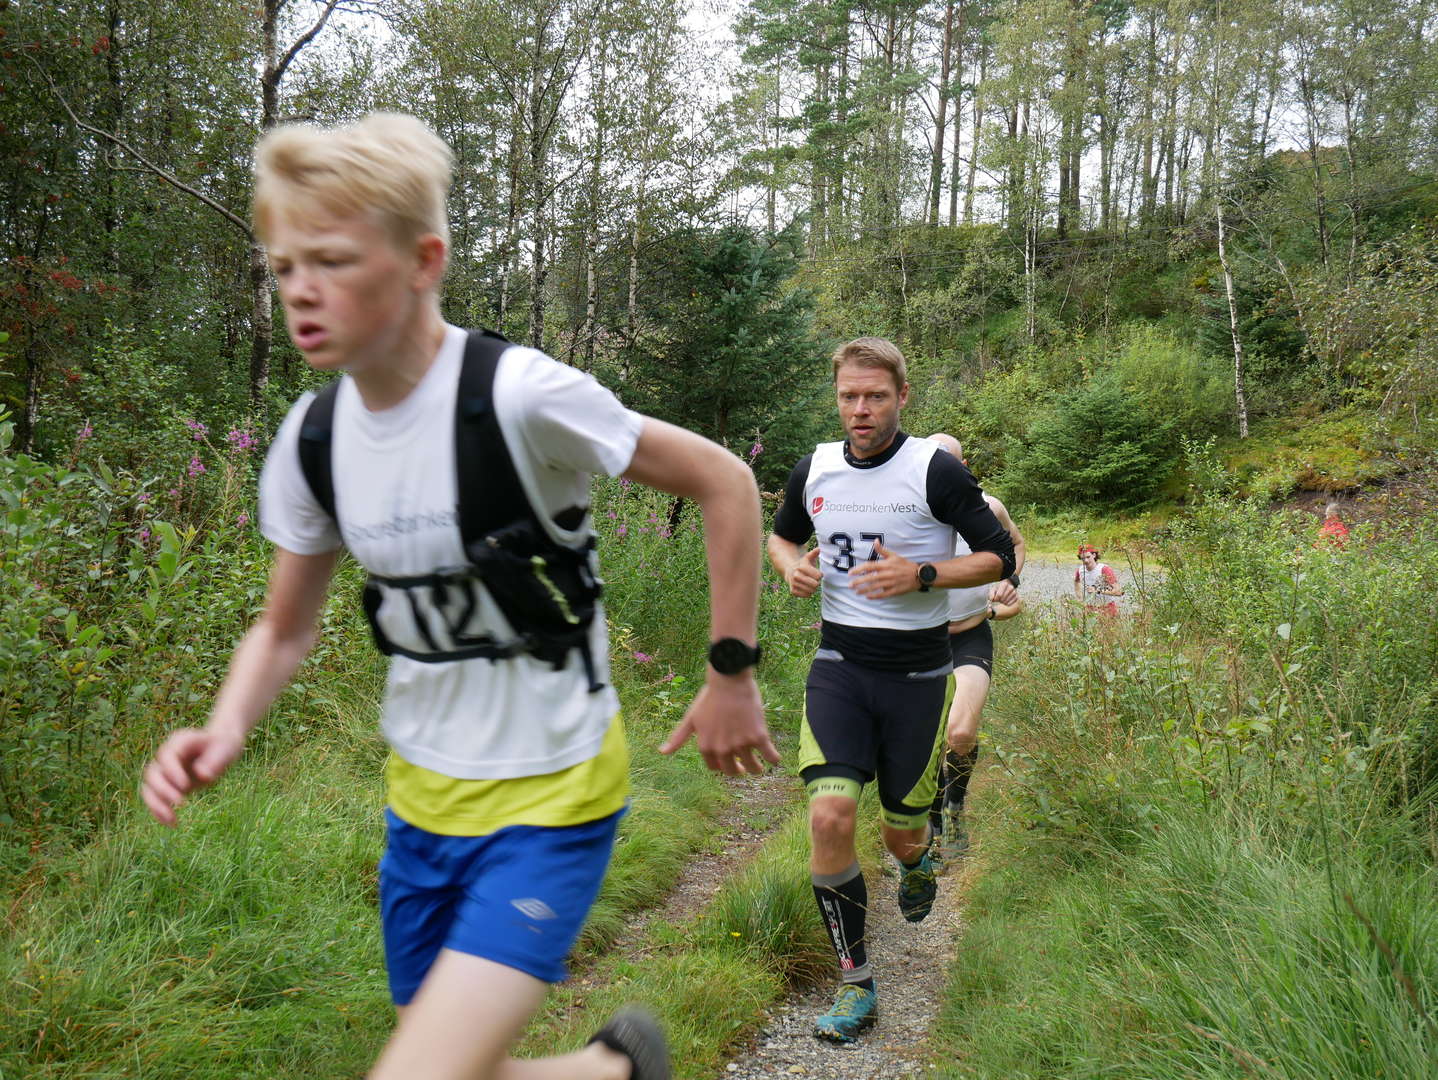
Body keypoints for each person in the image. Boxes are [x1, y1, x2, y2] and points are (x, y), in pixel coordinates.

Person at [139, 113, 777, 1080]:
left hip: (555, 791)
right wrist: (224, 727)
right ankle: (614, 1069)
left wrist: (730, 672)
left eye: (333, 261)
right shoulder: (312, 444)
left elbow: (724, 480)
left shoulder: (521, 396)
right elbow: (282, 628)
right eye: (284, 266)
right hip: (422, 805)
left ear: (422, 261)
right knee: (457, 1067)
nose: (301, 289)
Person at [766, 338, 1015, 1044]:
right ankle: (856, 984)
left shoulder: (933, 470)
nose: (861, 409)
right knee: (829, 817)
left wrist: (923, 575)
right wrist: (790, 565)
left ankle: (917, 858)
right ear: (836, 397)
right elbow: (781, 537)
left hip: (919, 678)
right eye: (849, 395)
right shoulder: (814, 467)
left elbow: (998, 556)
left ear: (902, 396)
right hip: (840, 667)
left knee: (901, 834)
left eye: (875, 396)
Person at [924, 434, 1024, 863]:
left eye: (948, 463)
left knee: (961, 733)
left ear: (963, 468)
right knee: (925, 738)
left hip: (969, 635)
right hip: (918, 642)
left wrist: (1009, 581)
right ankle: (929, 815)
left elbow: (1015, 544)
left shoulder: (989, 507)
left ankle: (954, 807)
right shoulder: (904, 509)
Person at [1074, 544, 1122, 615]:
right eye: (1083, 558)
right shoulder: (1080, 570)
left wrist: (1097, 591)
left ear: (1094, 555)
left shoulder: (1104, 569)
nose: (1086, 560)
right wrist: (1080, 598)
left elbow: (1118, 592)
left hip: (1107, 608)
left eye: (1088, 557)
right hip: (1089, 608)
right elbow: (1076, 581)